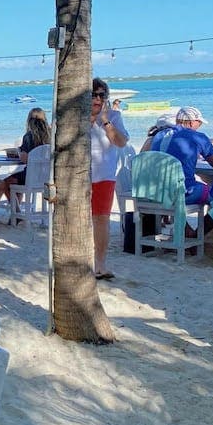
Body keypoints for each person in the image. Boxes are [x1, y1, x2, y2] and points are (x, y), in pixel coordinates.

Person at [90, 78, 129, 279]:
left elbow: (121, 142)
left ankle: (100, 264)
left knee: (102, 220)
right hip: (80, 176)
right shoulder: (77, 117)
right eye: (94, 94)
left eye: (102, 95)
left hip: (104, 175)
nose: (97, 98)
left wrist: (105, 121)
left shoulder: (114, 116)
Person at [0, 107, 50, 223]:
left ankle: (17, 213)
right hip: (46, 177)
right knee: (15, 180)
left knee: (6, 182)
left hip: (31, 175)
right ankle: (16, 213)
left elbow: (24, 159)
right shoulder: (51, 134)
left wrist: (19, 152)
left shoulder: (29, 136)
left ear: (29, 120)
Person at [147, 107, 213, 206]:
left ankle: (184, 221)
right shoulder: (198, 137)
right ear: (191, 123)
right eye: (199, 123)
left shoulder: (159, 135)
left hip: (155, 191)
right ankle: (208, 221)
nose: (199, 126)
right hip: (183, 192)